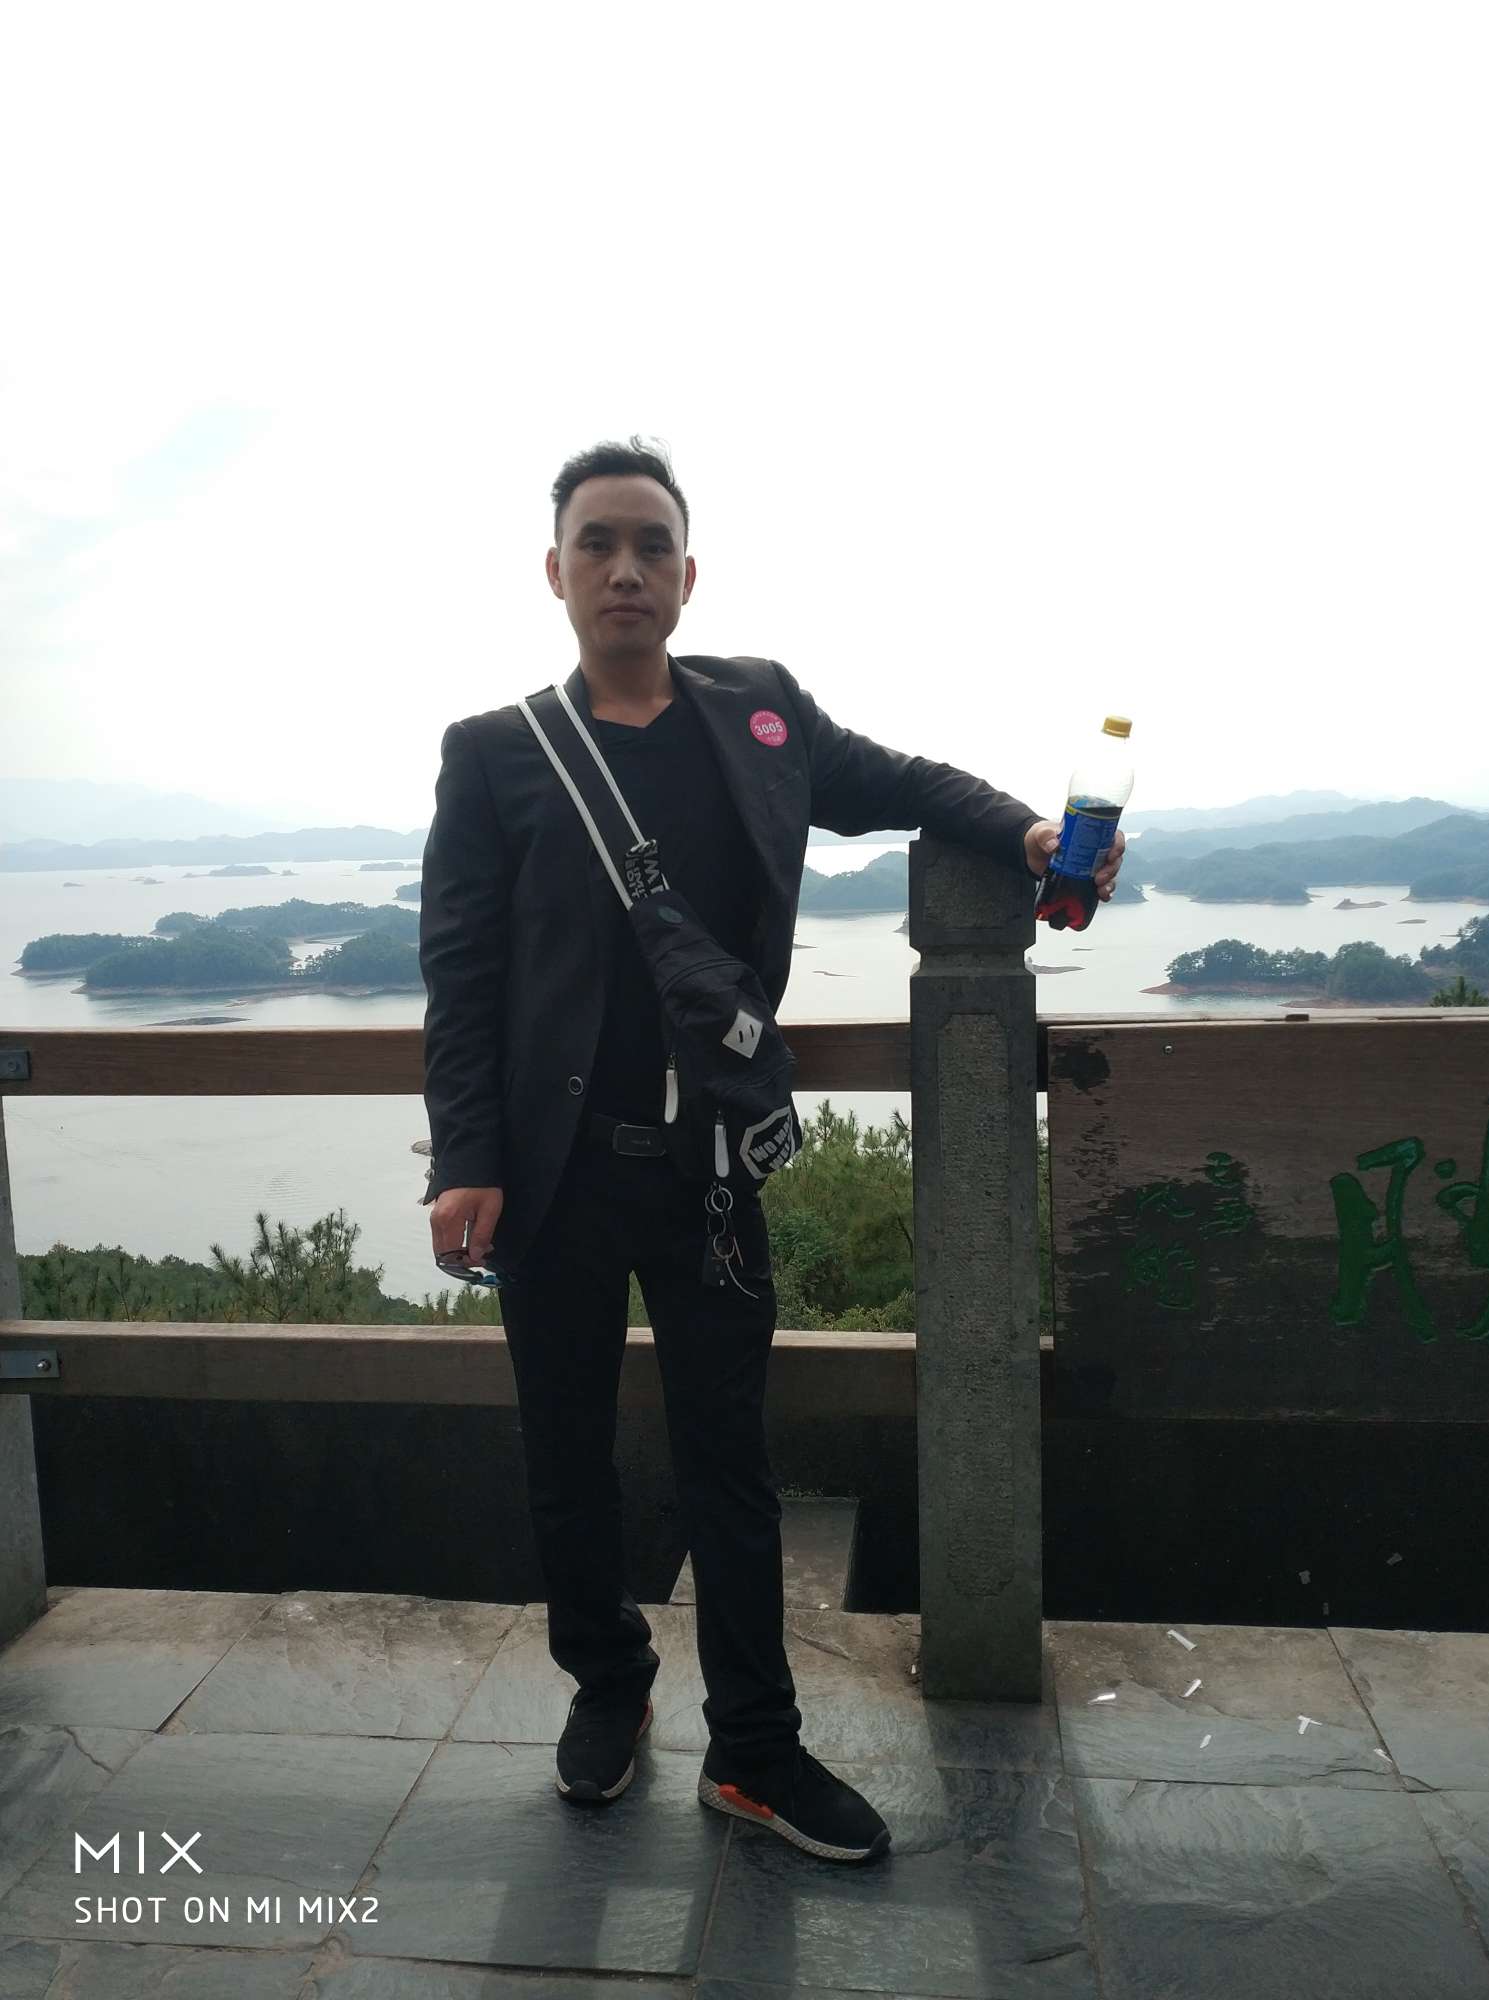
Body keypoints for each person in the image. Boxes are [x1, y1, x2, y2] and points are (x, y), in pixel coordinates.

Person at [418, 436, 1125, 1866]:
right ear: (555, 572)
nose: (626, 568)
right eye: (598, 544)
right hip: (555, 1175)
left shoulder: (761, 715)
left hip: (712, 1169)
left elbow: (899, 779)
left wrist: (1029, 828)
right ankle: (608, 1684)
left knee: (730, 1464)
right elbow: (462, 970)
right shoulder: (497, 754)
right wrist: (464, 1159)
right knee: (565, 1454)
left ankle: (753, 1748)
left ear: (690, 574)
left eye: (652, 545)